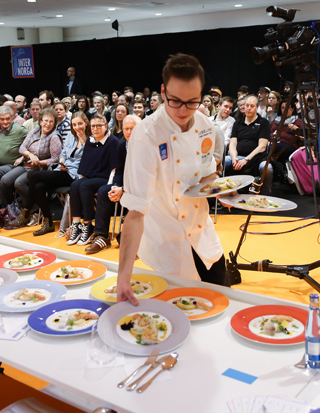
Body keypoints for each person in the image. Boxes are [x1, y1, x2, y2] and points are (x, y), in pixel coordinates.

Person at [116, 54, 227, 304]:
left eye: (192, 102)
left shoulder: (204, 124)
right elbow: (134, 212)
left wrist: (225, 191)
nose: (183, 110)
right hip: (166, 245)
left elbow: (208, 174)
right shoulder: (146, 135)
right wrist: (124, 276)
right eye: (175, 101)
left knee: (223, 307)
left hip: (204, 238)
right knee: (181, 321)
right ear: (163, 91)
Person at [85, 114, 141, 254]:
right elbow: (119, 170)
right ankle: (102, 236)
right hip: (126, 185)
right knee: (104, 191)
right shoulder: (122, 145)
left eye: (132, 129)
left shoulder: (149, 146)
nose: (128, 132)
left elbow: (146, 176)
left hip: (143, 188)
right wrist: (116, 186)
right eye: (126, 129)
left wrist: (124, 189)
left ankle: (132, 237)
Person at [29, 112, 88, 236]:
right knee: (38, 186)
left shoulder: (91, 138)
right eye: (74, 124)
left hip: (75, 174)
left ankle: (25, 210)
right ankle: (48, 221)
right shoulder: (71, 136)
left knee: (32, 176)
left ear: (86, 123)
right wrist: (61, 162)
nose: (77, 127)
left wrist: (84, 141)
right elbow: (63, 154)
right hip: (63, 170)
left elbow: (90, 158)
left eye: (80, 124)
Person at [65, 115, 120, 246]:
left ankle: (88, 225)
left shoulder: (113, 142)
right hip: (91, 177)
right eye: (93, 126)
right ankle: (76, 224)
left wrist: (109, 185)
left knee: (84, 186)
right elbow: (85, 163)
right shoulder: (90, 140)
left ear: (106, 126)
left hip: (105, 179)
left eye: (98, 126)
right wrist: (81, 179)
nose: (95, 129)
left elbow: (114, 168)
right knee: (75, 185)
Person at [3, 109, 63, 229]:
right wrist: (30, 155)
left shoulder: (54, 136)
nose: (48, 124)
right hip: (26, 164)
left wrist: (38, 161)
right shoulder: (35, 131)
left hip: (40, 169)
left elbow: (56, 159)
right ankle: (15, 210)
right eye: (46, 121)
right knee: (5, 180)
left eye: (51, 121)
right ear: (40, 121)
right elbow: (22, 148)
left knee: (19, 183)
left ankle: (33, 212)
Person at [0, 106, 29, 225]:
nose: (5, 122)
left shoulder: (20, 130)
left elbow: (32, 142)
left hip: (11, 165)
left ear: (12, 117)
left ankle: (0, 208)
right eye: (2, 119)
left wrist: (22, 156)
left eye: (8, 119)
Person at [226, 94, 273, 194]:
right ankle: (223, 196)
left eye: (252, 106)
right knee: (223, 162)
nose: (248, 108)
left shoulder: (263, 122)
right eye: (247, 105)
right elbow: (233, 144)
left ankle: (264, 196)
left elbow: (262, 146)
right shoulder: (237, 123)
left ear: (257, 107)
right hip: (238, 157)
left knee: (267, 168)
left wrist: (246, 159)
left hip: (257, 157)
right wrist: (234, 158)